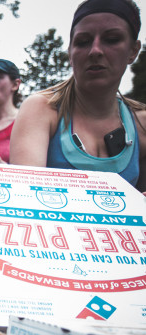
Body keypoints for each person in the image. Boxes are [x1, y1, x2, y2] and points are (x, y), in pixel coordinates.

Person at [11, 0, 145, 193]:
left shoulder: (141, 124)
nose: (95, 51)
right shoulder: (41, 109)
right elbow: (26, 197)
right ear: (70, 53)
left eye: (112, 39)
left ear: (133, 51)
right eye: (83, 42)